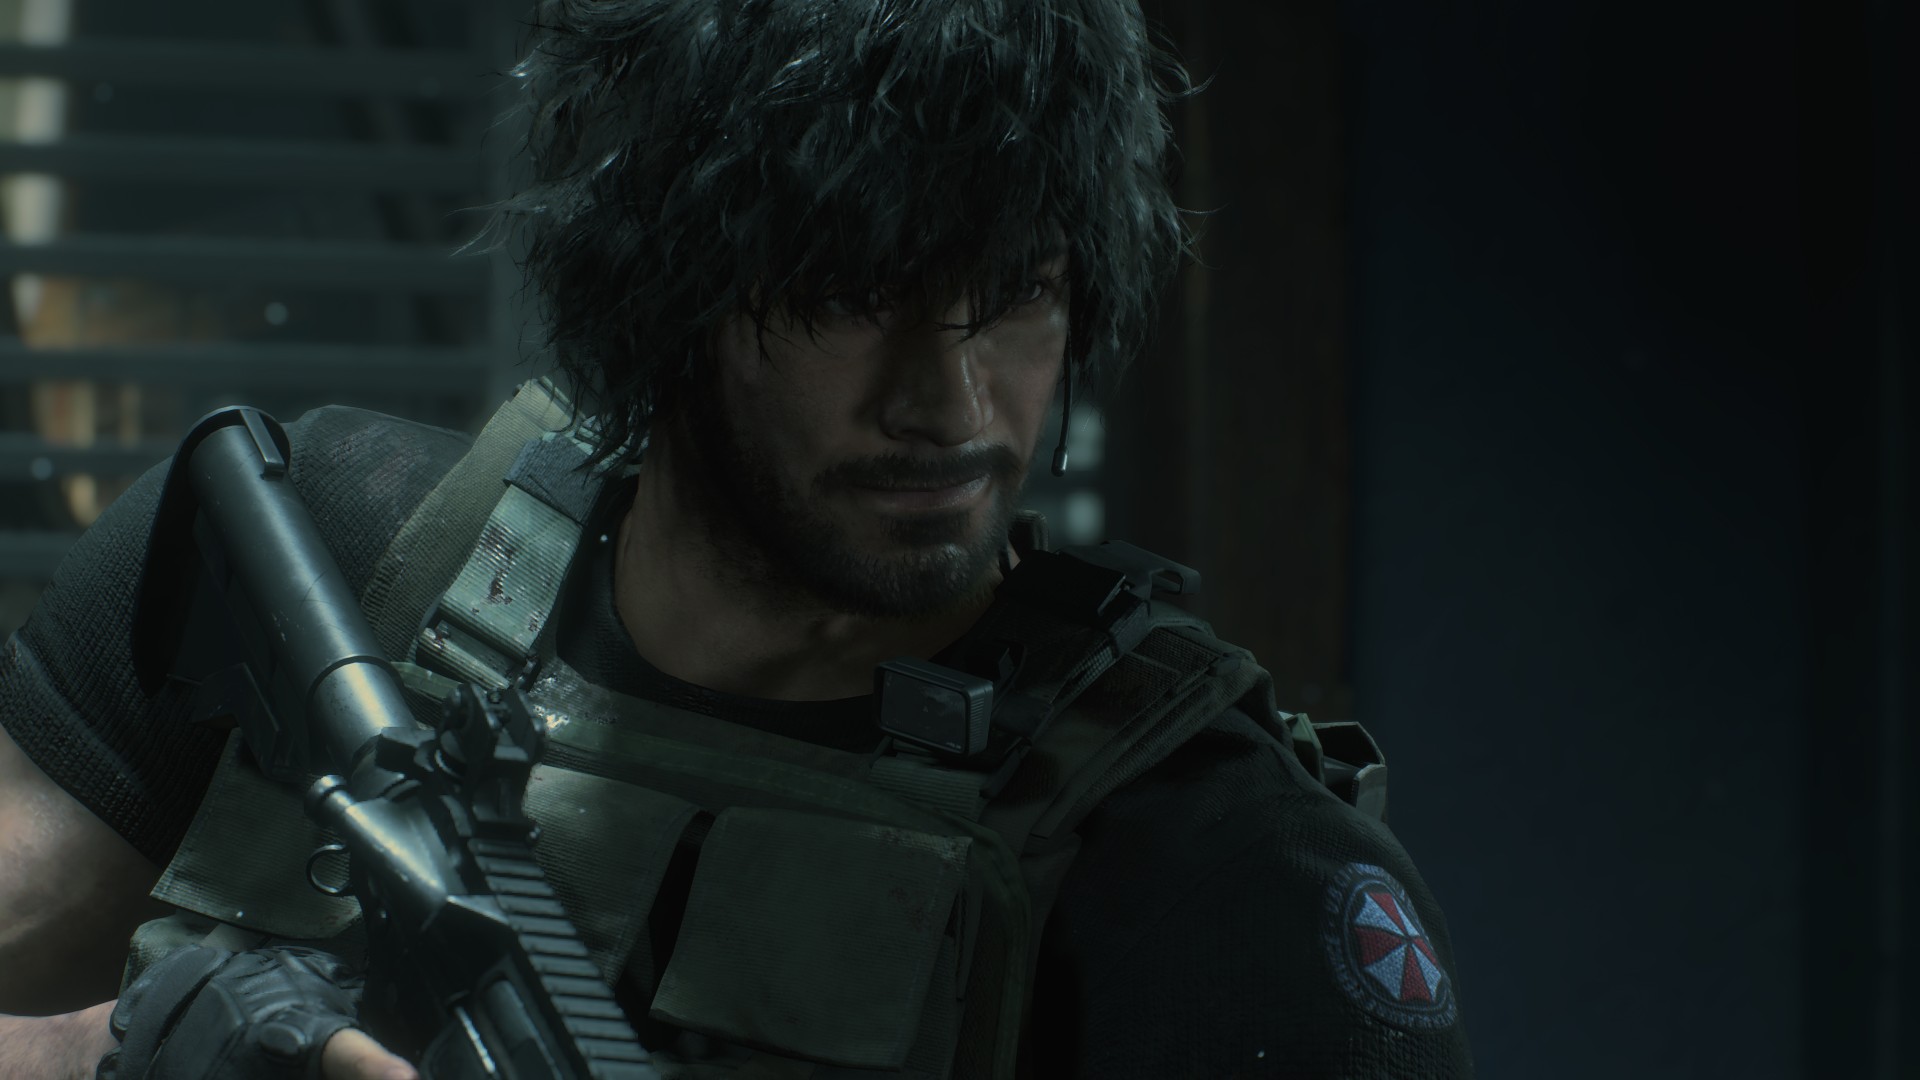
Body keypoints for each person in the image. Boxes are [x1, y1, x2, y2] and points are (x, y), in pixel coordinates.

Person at [0, 0, 1474, 1076]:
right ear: (670, 283)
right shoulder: (331, 545)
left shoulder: (1220, 878)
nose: (951, 406)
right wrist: (124, 1051)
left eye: (1017, 294)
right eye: (853, 296)